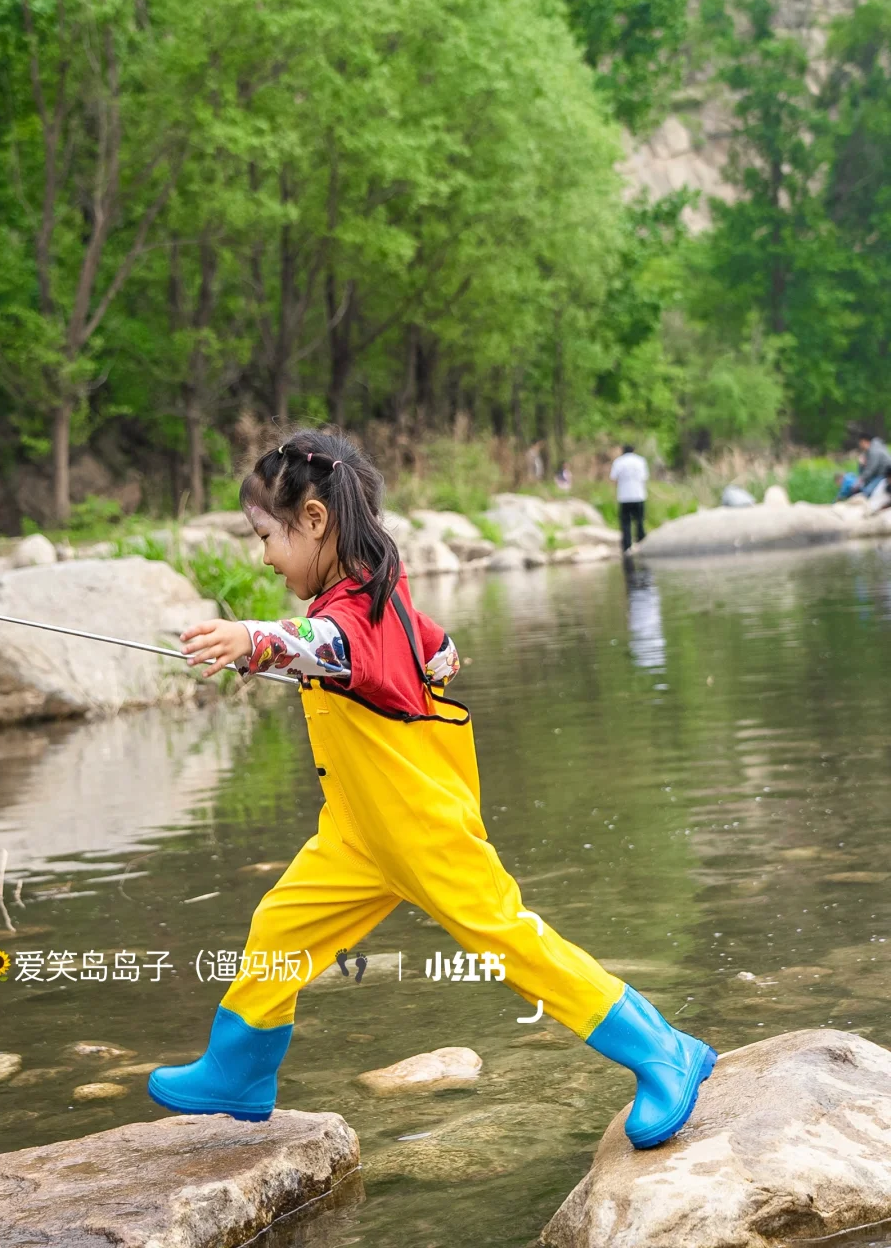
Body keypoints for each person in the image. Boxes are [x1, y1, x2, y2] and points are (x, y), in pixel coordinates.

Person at [147, 429, 716, 1149]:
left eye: (267, 536)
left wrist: (254, 641)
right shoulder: (375, 589)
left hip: (420, 829)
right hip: (357, 834)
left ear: (315, 521)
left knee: (510, 943)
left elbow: (325, 646)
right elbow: (431, 643)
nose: (263, 554)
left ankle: (663, 1049)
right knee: (279, 927)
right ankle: (239, 1072)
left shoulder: (346, 618)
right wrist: (432, 657)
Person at [610, 443, 649, 552]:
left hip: (624, 496)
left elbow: (614, 478)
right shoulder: (640, 460)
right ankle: (641, 542)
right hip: (638, 494)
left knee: (626, 522)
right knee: (639, 520)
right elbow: (644, 477)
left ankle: (627, 546)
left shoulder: (618, 462)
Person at [858, 434, 891, 499]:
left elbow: (871, 468)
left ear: (864, 441)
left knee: (867, 492)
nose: (860, 445)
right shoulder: (874, 448)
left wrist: (862, 478)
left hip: (884, 474)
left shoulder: (874, 450)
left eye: (860, 443)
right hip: (880, 473)